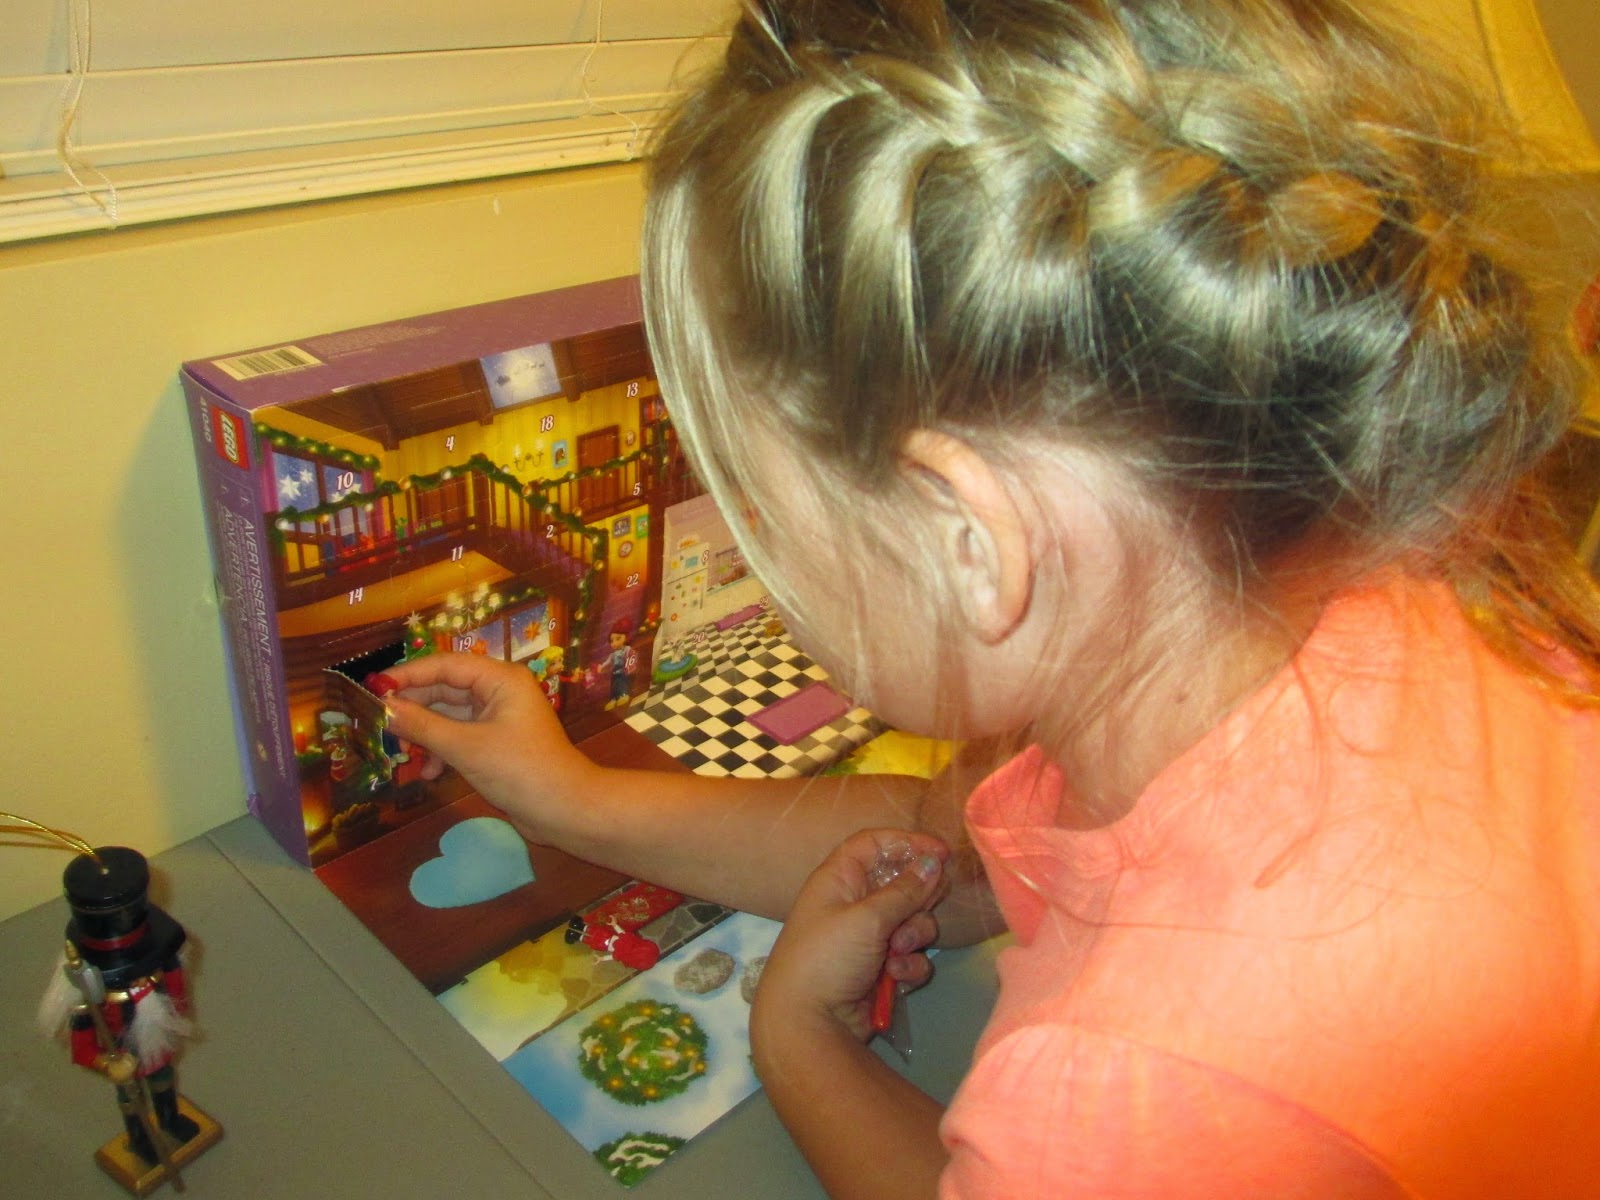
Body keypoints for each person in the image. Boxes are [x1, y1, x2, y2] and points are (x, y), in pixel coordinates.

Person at [381, 1, 1600, 1196]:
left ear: (971, 541)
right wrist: (571, 796)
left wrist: (800, 1042)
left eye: (750, 502)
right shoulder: (1360, 589)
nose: (751, 552)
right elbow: (956, 845)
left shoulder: (1126, 1093)